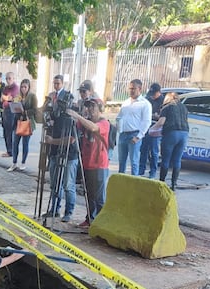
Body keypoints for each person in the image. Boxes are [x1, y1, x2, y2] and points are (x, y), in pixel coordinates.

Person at [67, 98, 111, 227]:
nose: (90, 109)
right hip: (87, 163)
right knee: (89, 195)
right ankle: (90, 218)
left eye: (93, 106)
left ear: (100, 108)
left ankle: (102, 223)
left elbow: (93, 128)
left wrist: (79, 116)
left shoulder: (104, 123)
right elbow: (77, 125)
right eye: (88, 107)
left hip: (99, 165)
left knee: (99, 198)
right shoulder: (86, 121)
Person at [43, 86, 79, 222]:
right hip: (54, 154)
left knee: (68, 185)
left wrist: (53, 141)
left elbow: (71, 140)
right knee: (54, 184)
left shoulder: (72, 118)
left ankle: (68, 212)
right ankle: (54, 209)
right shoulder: (54, 116)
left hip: (69, 156)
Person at [151, 91, 190, 190]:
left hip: (171, 134)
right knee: (177, 160)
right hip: (184, 134)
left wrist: (151, 129)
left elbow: (161, 122)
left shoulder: (167, 107)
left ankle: (161, 183)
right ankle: (173, 184)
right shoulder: (183, 107)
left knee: (166, 160)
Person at [116, 79, 151, 175]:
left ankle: (134, 183)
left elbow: (147, 122)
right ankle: (120, 182)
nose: (131, 91)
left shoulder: (145, 104)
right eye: (130, 88)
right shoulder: (126, 102)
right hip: (123, 134)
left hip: (134, 134)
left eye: (133, 89)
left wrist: (139, 136)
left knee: (134, 162)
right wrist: (118, 126)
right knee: (121, 162)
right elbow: (120, 116)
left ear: (139, 89)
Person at [7, 78, 38, 172]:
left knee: (25, 144)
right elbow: (14, 106)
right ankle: (14, 162)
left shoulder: (32, 96)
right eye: (22, 87)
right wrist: (14, 107)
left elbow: (35, 109)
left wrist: (26, 112)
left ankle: (23, 162)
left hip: (27, 122)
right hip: (18, 122)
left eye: (25, 87)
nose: (23, 88)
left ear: (28, 87)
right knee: (15, 143)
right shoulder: (18, 96)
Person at [139, 83, 164, 179]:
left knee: (154, 152)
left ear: (159, 92)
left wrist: (155, 116)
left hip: (156, 129)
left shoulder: (163, 101)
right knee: (143, 150)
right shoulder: (148, 99)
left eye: (154, 94)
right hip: (146, 127)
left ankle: (153, 172)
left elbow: (161, 116)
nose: (152, 96)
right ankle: (141, 169)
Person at [0, 72, 20, 158]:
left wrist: (6, 97)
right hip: (5, 110)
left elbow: (11, 98)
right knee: (5, 131)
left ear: (13, 78)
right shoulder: (6, 88)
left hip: (12, 111)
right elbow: (2, 98)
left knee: (10, 132)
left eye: (10, 78)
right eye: (7, 78)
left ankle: (11, 151)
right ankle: (8, 150)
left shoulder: (15, 87)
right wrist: (6, 98)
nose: (8, 80)